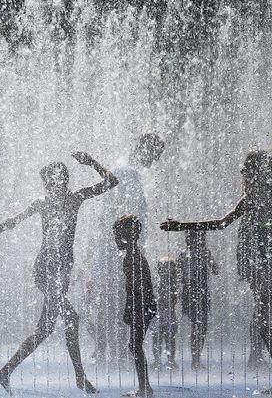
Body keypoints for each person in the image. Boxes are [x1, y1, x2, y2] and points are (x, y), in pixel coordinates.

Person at [161, 149, 272, 397]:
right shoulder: (255, 197)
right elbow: (222, 223)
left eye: (247, 170)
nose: (243, 174)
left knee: (269, 323)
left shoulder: (269, 196)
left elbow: (269, 227)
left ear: (258, 172)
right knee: (268, 324)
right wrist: (182, 226)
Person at [0, 151, 119, 395]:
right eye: (48, 182)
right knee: (68, 320)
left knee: (47, 327)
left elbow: (112, 182)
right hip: (46, 269)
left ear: (65, 181)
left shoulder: (75, 199)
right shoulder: (43, 204)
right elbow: (13, 221)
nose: (52, 186)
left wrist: (92, 163)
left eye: (57, 180)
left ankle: (5, 371)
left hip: (62, 270)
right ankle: (79, 378)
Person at [90, 133, 164, 364]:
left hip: (120, 244)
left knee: (120, 298)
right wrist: (126, 244)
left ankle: (112, 349)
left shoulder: (126, 168)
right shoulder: (127, 171)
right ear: (144, 149)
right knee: (122, 297)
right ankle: (118, 350)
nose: (153, 162)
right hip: (120, 247)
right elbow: (119, 210)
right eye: (153, 155)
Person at [114, 215, 156, 398]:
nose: (115, 240)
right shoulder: (134, 254)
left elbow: (135, 288)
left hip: (141, 305)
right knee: (134, 345)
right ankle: (144, 386)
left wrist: (129, 309)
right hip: (145, 305)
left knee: (135, 345)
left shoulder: (132, 257)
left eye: (117, 235)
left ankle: (145, 388)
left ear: (125, 235)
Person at [176, 230, 219, 369]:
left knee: (198, 326)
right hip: (195, 293)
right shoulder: (188, 254)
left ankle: (196, 358)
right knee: (199, 326)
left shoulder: (193, 254)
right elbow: (216, 270)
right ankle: (195, 359)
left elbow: (215, 270)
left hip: (197, 293)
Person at [151, 257, 179, 370]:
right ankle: (169, 361)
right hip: (168, 314)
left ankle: (160, 361)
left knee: (159, 339)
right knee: (169, 339)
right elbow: (174, 299)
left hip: (160, 314)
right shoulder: (172, 283)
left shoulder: (161, 282)